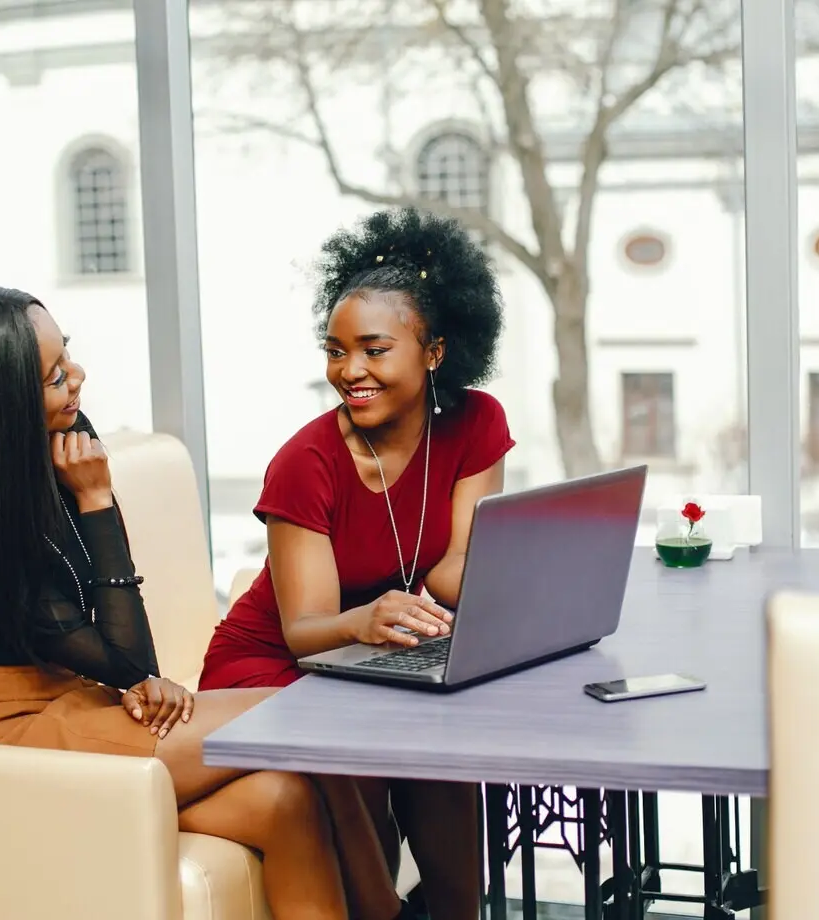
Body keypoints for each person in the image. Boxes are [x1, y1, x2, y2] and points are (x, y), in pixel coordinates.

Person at [0, 282, 412, 920]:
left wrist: (130, 679)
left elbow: (117, 664)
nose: (79, 379)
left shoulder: (56, 447)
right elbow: (128, 655)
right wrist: (97, 500)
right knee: (308, 718)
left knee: (287, 800)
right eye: (55, 375)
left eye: (69, 356)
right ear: (0, 405)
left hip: (86, 701)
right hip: (14, 739)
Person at [199, 208, 515, 920]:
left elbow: (461, 563)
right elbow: (305, 629)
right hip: (274, 662)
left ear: (434, 350)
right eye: (336, 351)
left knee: (447, 756)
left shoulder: (477, 423)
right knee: (354, 749)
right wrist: (372, 618)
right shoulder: (304, 464)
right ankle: (386, 914)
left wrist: (516, 585)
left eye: (374, 349)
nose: (350, 371)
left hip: (385, 649)